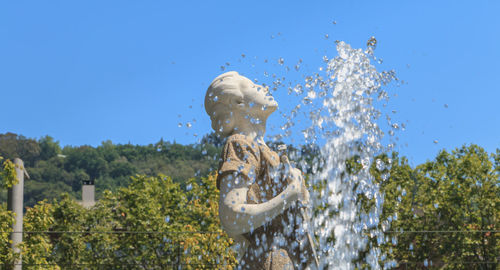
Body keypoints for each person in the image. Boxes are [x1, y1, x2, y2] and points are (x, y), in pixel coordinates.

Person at [205, 71, 313, 269]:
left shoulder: (266, 151)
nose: (265, 87)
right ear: (238, 102)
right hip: (270, 259)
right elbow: (232, 216)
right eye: (254, 86)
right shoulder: (240, 143)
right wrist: (290, 193)